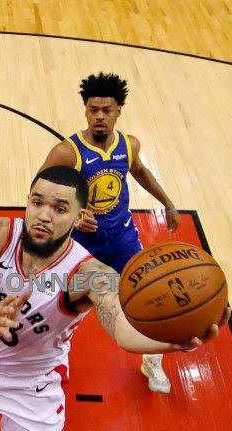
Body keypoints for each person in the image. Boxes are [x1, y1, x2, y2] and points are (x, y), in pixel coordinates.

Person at [0, 165, 229, 431]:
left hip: (34, 382)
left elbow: (122, 328)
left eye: (60, 209)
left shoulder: (90, 273)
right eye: (37, 203)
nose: (44, 215)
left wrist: (173, 341)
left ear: (80, 217)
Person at [38, 72, 180, 393]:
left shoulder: (128, 145)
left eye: (106, 110)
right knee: (61, 308)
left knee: (147, 300)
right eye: (93, 110)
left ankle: (152, 360)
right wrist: (72, 218)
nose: (99, 116)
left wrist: (168, 203)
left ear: (118, 111)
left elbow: (140, 172)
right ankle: (47, 358)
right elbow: (40, 192)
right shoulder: (67, 152)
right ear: (85, 111)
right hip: (80, 248)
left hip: (122, 240)